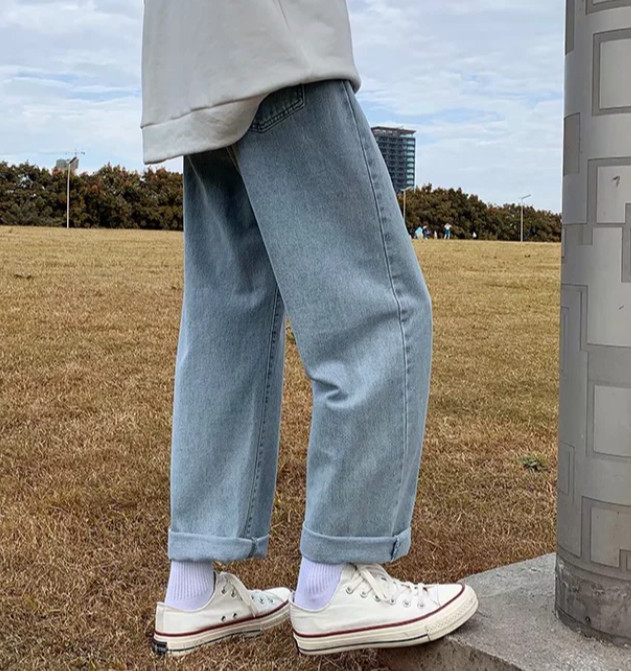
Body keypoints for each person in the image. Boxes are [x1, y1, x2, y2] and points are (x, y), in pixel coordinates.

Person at [141, 0, 478, 658]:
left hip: (190, 62)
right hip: (274, 38)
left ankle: (191, 591)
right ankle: (336, 577)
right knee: (378, 308)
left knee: (227, 327)